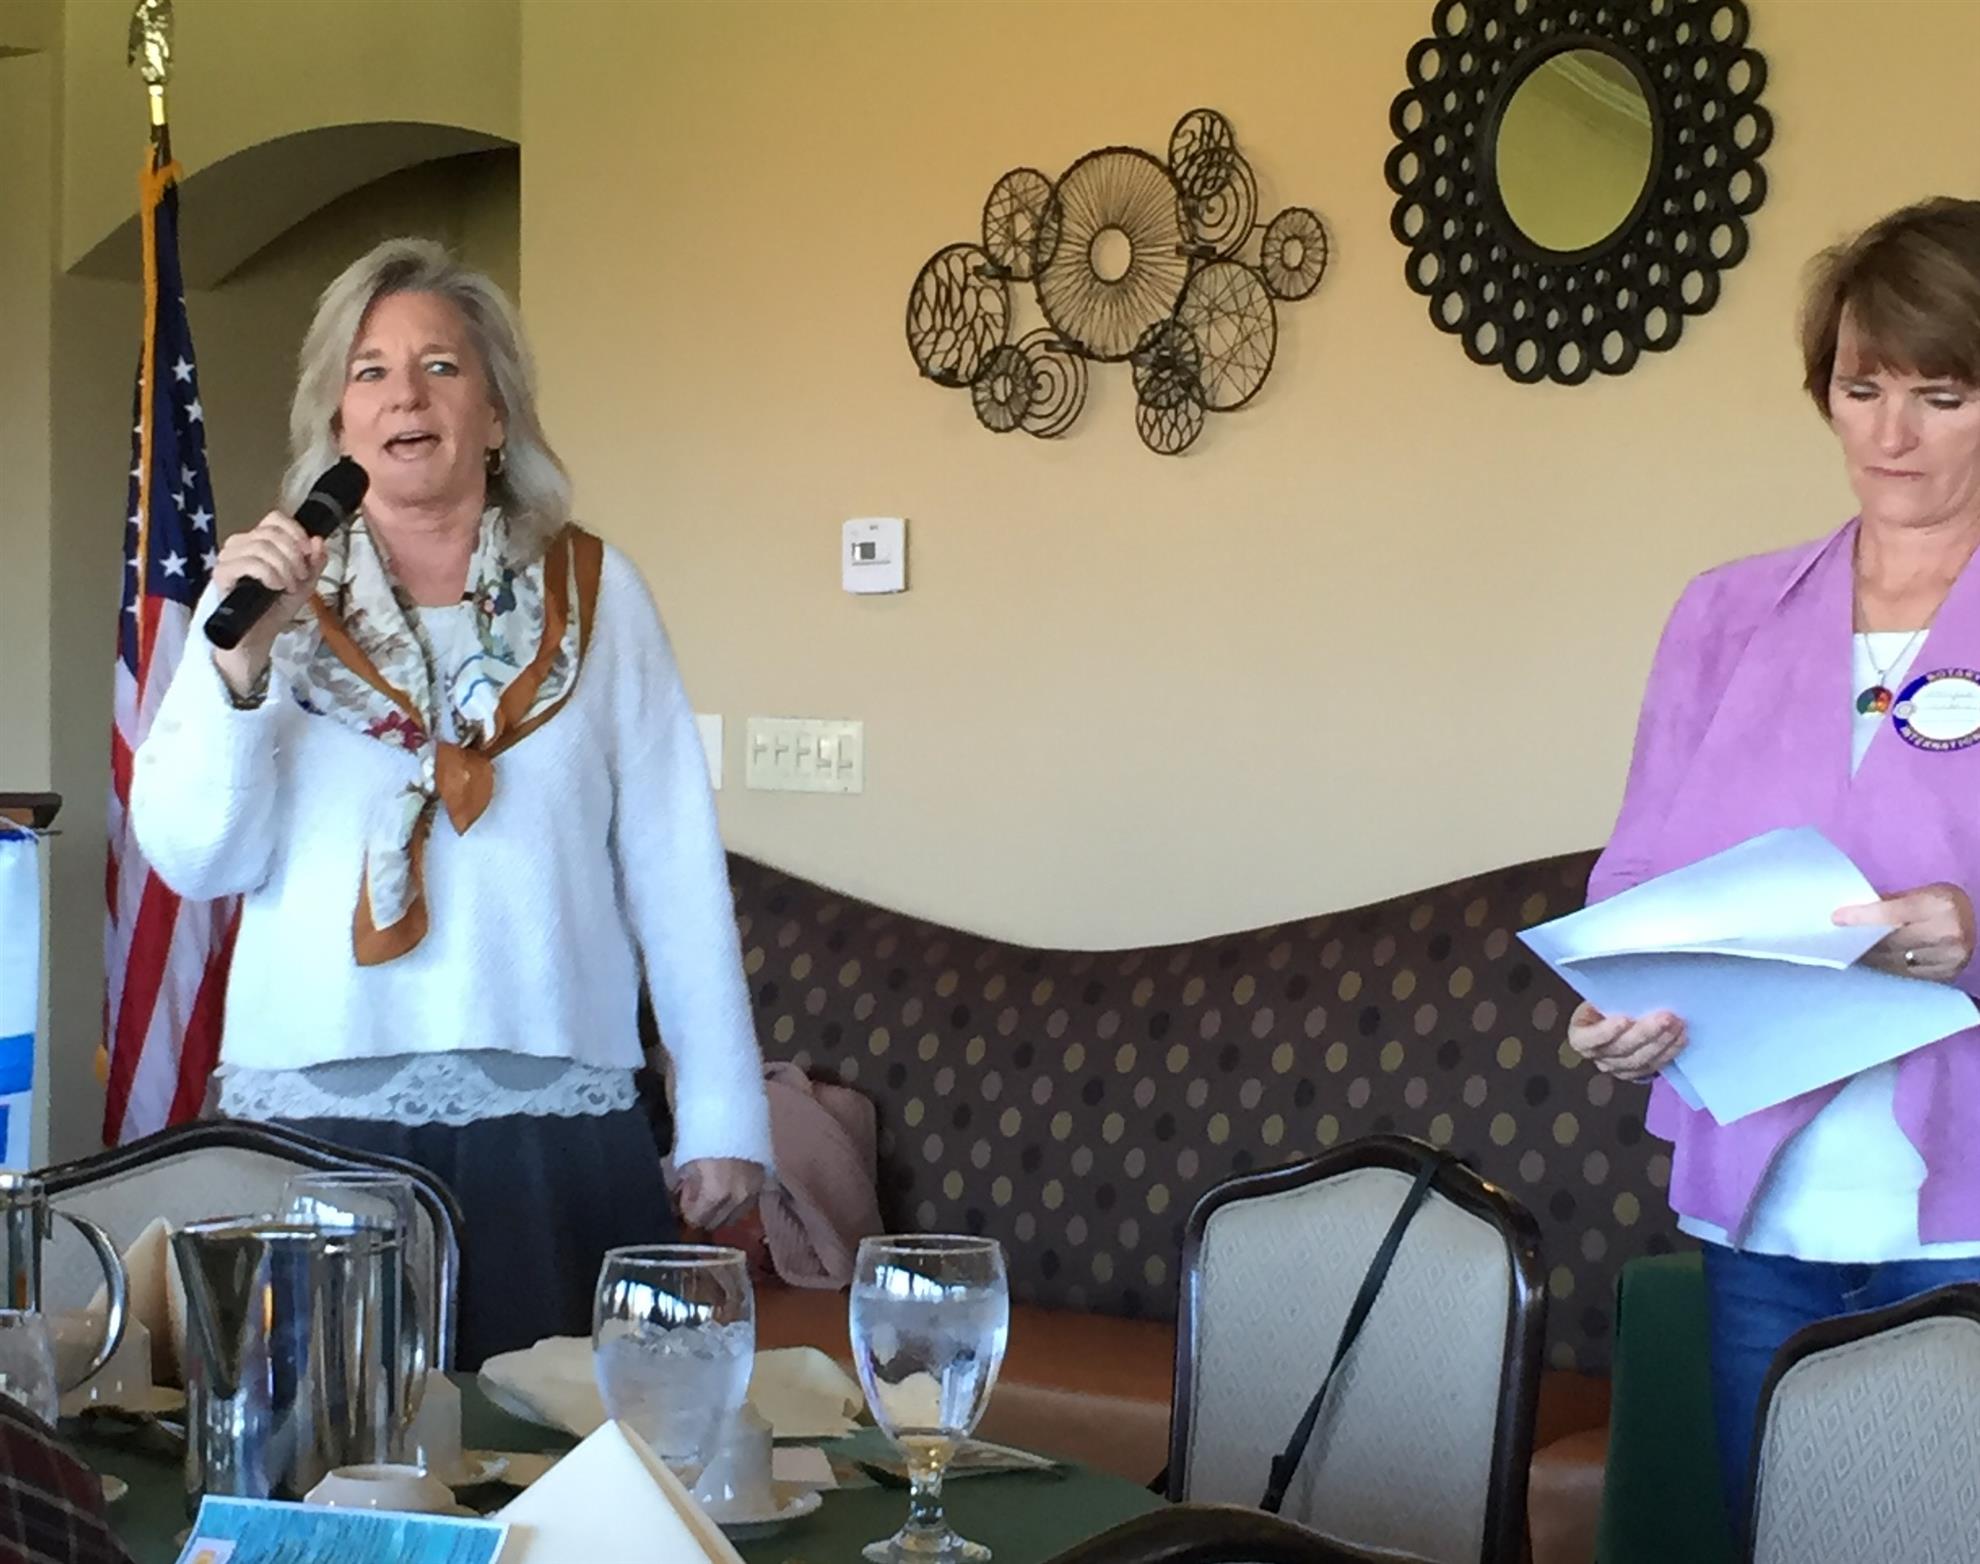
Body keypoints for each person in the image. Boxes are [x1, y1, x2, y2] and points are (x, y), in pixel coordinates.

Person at [132, 237, 772, 1367]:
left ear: (496, 414)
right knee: (336, 1446)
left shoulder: (597, 590)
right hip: (314, 1108)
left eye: (440, 366)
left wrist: (721, 1107)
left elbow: (672, 861)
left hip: (552, 1110)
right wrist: (238, 666)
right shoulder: (267, 601)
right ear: (337, 423)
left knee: (560, 1451)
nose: (405, 396)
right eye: (370, 371)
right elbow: (196, 857)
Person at [1568, 196, 1980, 1524]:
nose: (1891, 435)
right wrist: (1622, 1010)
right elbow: (1640, 872)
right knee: (1784, 1533)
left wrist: (1972, 931)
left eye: (1943, 395)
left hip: (1967, 1219)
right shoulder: (1728, 614)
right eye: (1862, 389)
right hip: (1761, 1213)